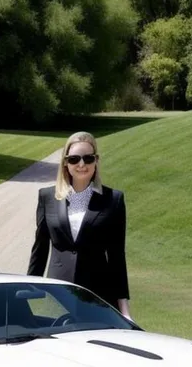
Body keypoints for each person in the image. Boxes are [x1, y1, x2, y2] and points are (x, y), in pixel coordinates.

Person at [27, 131, 131, 319]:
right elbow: (40, 250)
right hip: (56, 295)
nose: (81, 164)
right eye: (74, 159)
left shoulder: (113, 200)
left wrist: (124, 308)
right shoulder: (47, 197)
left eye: (88, 158)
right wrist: (26, 291)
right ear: (66, 163)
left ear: (96, 161)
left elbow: (117, 257)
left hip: (98, 297)